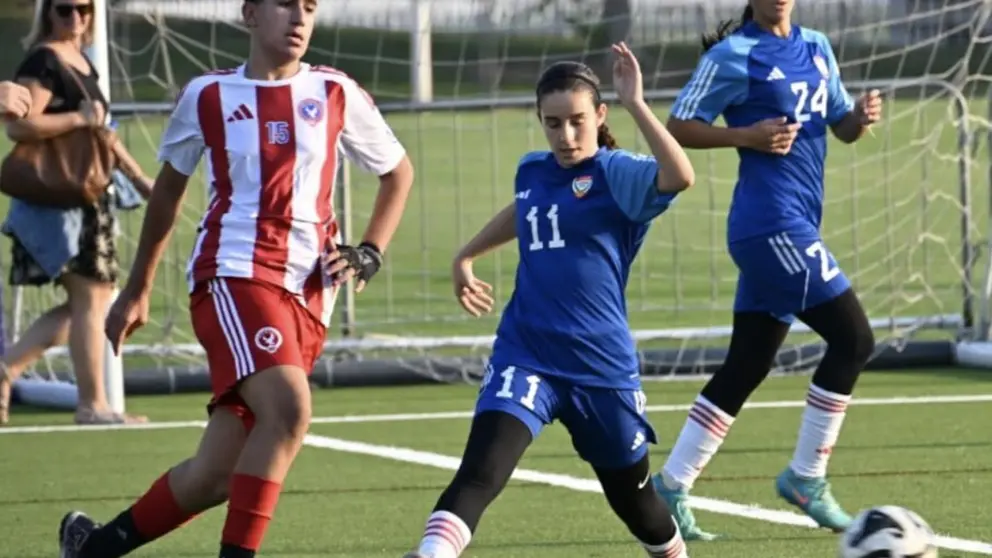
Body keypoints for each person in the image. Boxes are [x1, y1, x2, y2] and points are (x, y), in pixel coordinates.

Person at [56, 0, 414, 556]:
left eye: (310, 8)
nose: (299, 18)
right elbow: (168, 194)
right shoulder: (208, 95)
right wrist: (139, 287)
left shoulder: (336, 91)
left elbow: (398, 171)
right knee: (290, 410)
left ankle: (94, 548)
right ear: (249, 15)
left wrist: (370, 251)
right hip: (234, 273)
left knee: (214, 475)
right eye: (284, 5)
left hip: (309, 295)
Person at [404, 43, 695, 558]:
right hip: (528, 352)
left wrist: (637, 103)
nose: (565, 135)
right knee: (480, 472)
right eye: (552, 123)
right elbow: (526, 211)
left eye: (577, 121)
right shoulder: (532, 171)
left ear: (599, 115)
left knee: (637, 503)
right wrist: (467, 254)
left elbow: (680, 176)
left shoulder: (617, 173)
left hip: (599, 367)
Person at [649, 0, 883, 540]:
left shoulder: (818, 47)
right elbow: (679, 124)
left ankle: (672, 485)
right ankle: (807, 477)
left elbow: (841, 127)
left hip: (795, 224)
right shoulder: (735, 54)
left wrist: (860, 118)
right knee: (854, 339)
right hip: (769, 226)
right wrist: (747, 136)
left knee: (749, 362)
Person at [0, 0, 153, 426]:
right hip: (58, 197)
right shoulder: (45, 59)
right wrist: (75, 116)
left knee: (93, 302)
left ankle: (9, 368)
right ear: (47, 13)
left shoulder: (82, 61)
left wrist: (139, 177)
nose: (77, 18)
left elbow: (101, 130)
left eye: (84, 9)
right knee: (90, 299)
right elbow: (17, 125)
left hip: (90, 193)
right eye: (65, 9)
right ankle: (93, 404)